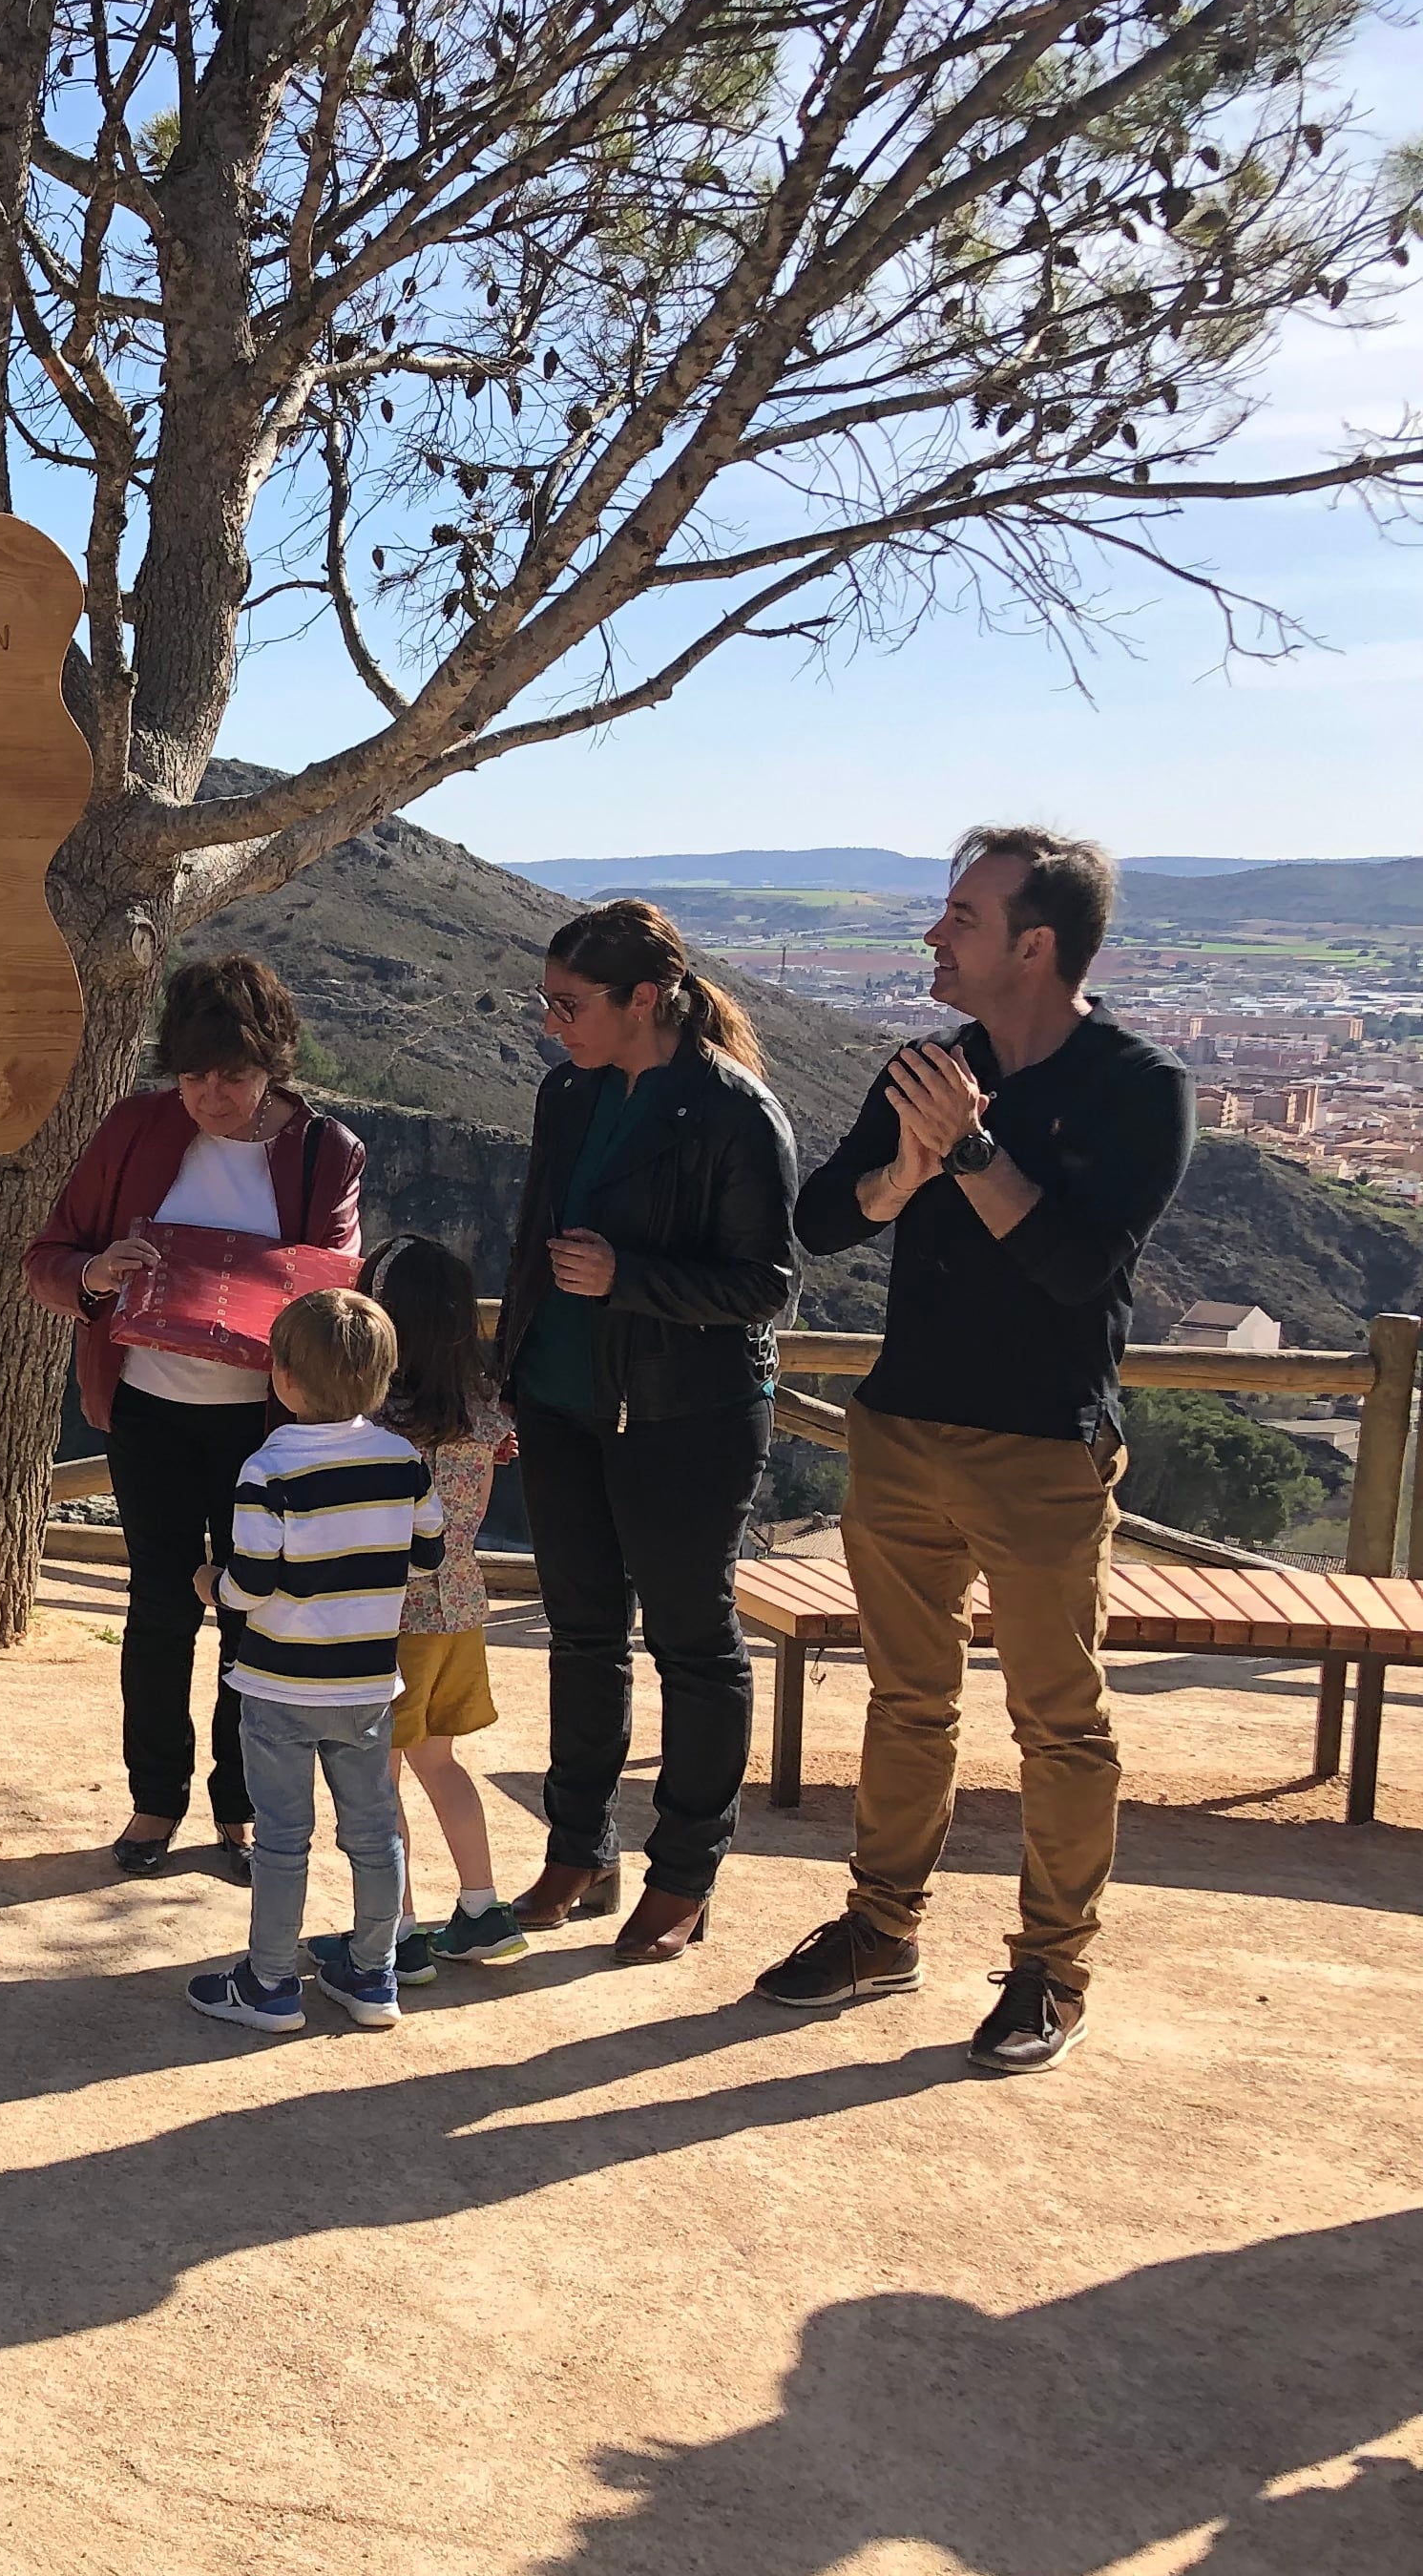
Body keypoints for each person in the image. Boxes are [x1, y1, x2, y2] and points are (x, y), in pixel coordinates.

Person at [756, 829, 1195, 2074]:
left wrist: (976, 1155)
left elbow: (1076, 1269)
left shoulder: (1137, 1087)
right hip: (902, 1431)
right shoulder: (928, 1066)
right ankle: (880, 1930)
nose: (934, 935)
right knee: (906, 1700)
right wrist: (907, 1168)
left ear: (1035, 945)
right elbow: (825, 1218)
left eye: (959, 915)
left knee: (1060, 1721)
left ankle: (1052, 1969)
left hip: (1045, 1448)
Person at [493, 901, 799, 1966]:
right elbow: (532, 1237)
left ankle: (685, 1873)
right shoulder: (568, 1092)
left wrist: (633, 1281)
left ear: (642, 999)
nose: (551, 1023)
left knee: (692, 1643)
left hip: (689, 1414)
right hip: (564, 1399)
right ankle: (578, 1849)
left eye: (569, 1004)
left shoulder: (732, 1112)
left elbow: (767, 1284)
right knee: (580, 1633)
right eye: (547, 1002)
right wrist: (511, 1375)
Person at [26, 953, 364, 1876]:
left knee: (256, 1618)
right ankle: (154, 1798)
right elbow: (49, 1255)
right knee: (161, 1606)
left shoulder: (323, 1155)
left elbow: (336, 1298)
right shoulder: (136, 1129)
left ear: (274, 1066)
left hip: (268, 1432)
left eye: (235, 1075)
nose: (211, 1095)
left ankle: (239, 1803)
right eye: (193, 1073)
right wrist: (96, 1276)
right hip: (151, 1414)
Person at [187, 1288, 444, 2036]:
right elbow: (425, 1556)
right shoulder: (403, 1462)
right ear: (383, 1379)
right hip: (364, 1683)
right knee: (372, 1830)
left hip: (277, 1682)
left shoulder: (268, 1468)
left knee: (282, 1836)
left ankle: (269, 1982)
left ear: (284, 1378)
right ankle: (373, 1971)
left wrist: (212, 1584)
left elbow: (253, 1582)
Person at [313, 1235, 528, 1992]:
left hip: (390, 1623)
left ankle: (394, 1932)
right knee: (441, 1763)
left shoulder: (376, 1425)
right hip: (461, 1612)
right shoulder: (481, 1413)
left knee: (380, 1782)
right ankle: (482, 1910)